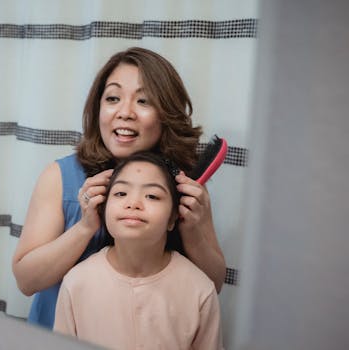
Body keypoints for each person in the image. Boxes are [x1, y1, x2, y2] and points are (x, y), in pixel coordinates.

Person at [12, 47, 226, 329]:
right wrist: (85, 227)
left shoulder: (185, 188)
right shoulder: (59, 177)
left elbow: (213, 284)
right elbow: (26, 281)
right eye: (113, 98)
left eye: (144, 101)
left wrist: (193, 232)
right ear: (98, 107)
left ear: (166, 115)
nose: (125, 113)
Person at [53, 151, 223, 350]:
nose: (133, 204)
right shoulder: (77, 282)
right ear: (102, 208)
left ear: (173, 218)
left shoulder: (199, 289)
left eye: (152, 196)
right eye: (120, 193)